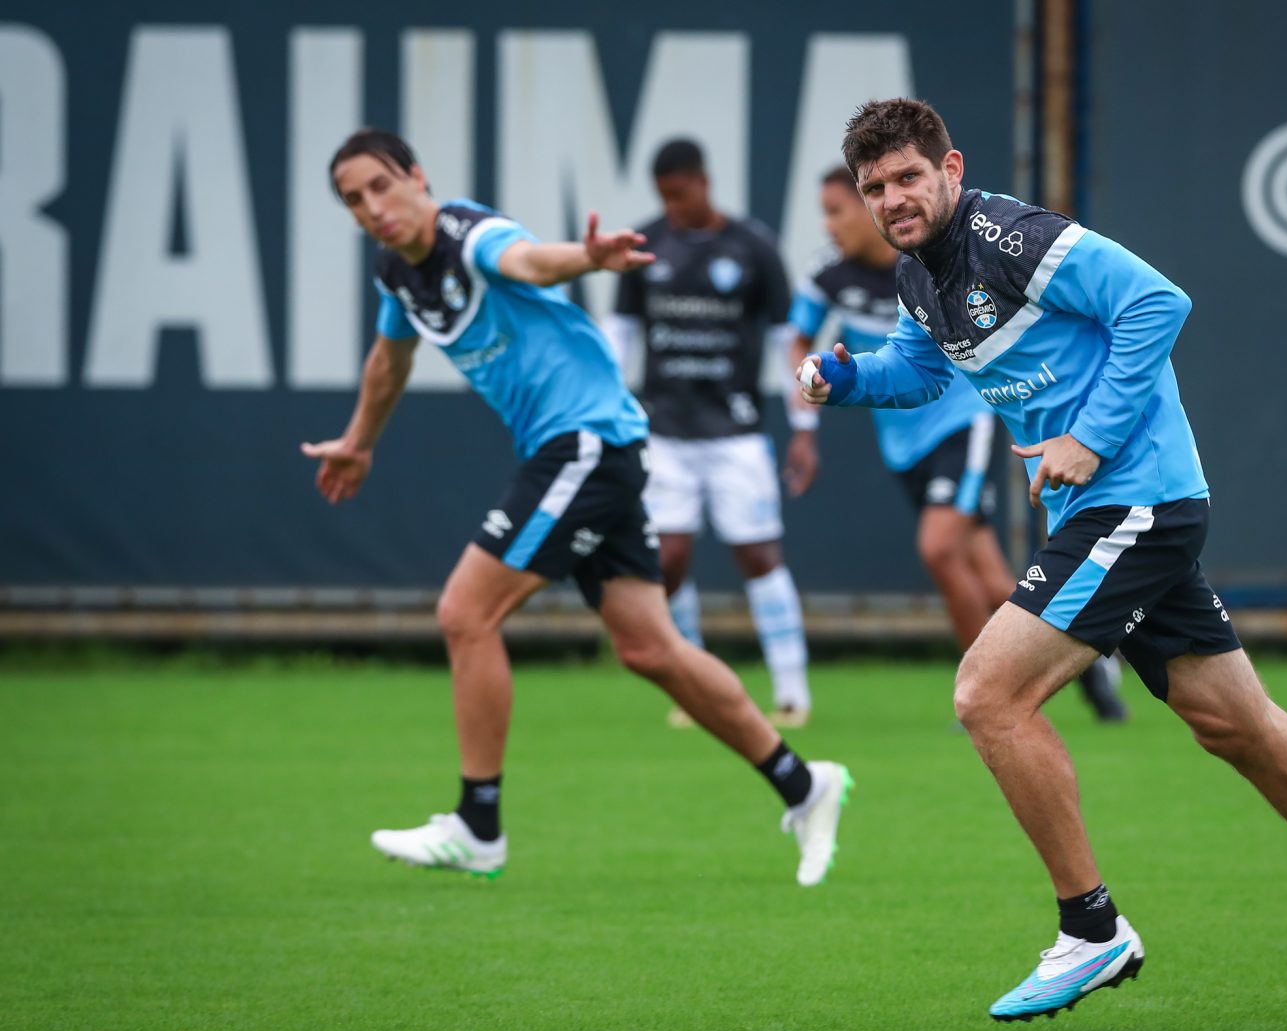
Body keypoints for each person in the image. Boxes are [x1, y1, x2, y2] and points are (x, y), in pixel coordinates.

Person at [799, 99, 1287, 1023]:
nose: (893, 199)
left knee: (987, 694)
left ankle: (1091, 929)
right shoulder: (917, 274)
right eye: (875, 188)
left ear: (951, 168)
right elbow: (924, 370)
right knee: (1235, 725)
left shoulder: (1013, 236)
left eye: (908, 176)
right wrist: (849, 380)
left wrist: (1091, 439)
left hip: (1134, 498)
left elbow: (1156, 302)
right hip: (1112, 509)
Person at [302, 128, 851, 887]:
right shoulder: (396, 272)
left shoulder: (466, 233)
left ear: (417, 178)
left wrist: (588, 257)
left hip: (586, 442)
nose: (371, 207)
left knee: (465, 613)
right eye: (353, 200)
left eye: (380, 185)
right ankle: (804, 784)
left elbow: (527, 260)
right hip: (587, 448)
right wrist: (358, 442)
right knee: (651, 650)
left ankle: (478, 824)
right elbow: (388, 361)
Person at [788, 166, 1129, 723]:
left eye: (837, 211)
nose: (831, 225)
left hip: (960, 422)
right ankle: (1092, 668)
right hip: (902, 439)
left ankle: (990, 692)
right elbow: (798, 338)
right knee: (990, 577)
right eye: (871, 193)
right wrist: (805, 408)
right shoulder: (827, 273)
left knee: (939, 548)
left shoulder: (925, 258)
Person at [607, 139, 812, 729]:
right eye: (663, 198)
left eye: (679, 194)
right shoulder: (646, 244)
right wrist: (605, 408)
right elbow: (619, 335)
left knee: (758, 555)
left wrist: (804, 426)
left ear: (703, 182)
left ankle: (792, 693)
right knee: (668, 558)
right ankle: (694, 686)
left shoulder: (753, 247)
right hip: (664, 433)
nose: (672, 208)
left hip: (735, 434)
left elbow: (786, 343)